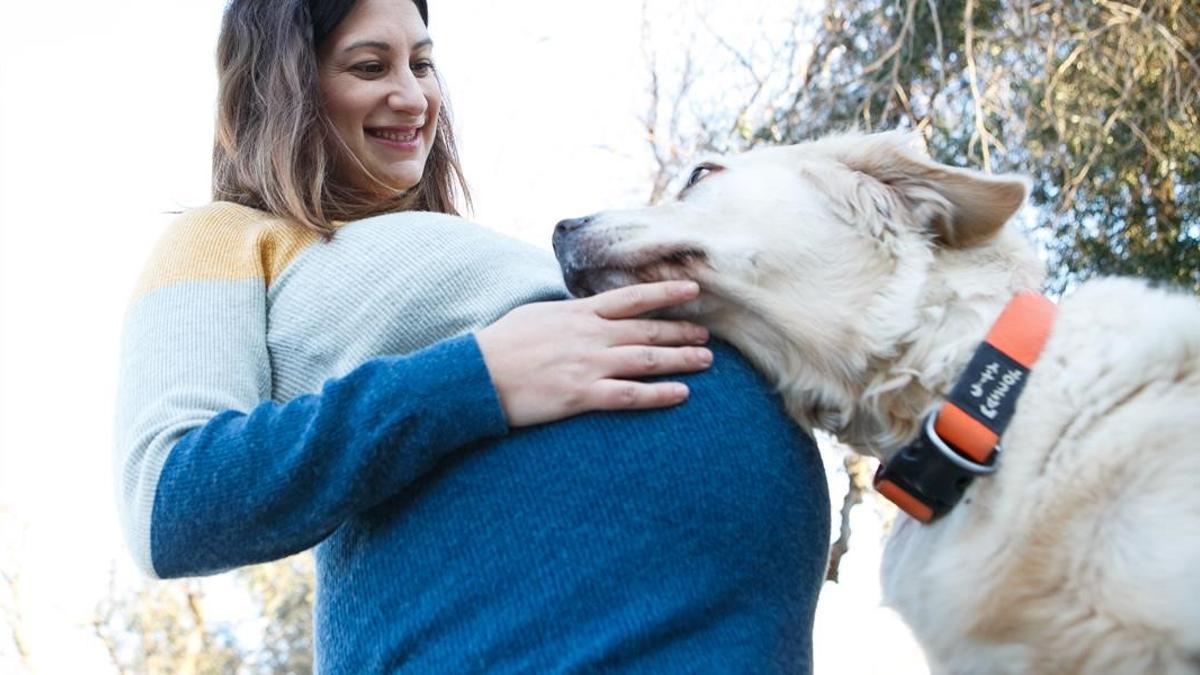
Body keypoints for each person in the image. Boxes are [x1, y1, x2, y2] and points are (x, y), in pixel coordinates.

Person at [113, 0, 830, 671]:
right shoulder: (224, 236)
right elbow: (168, 502)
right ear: (283, 87)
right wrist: (481, 375)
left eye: (422, 64)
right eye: (370, 66)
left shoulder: (460, 247)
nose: (413, 96)